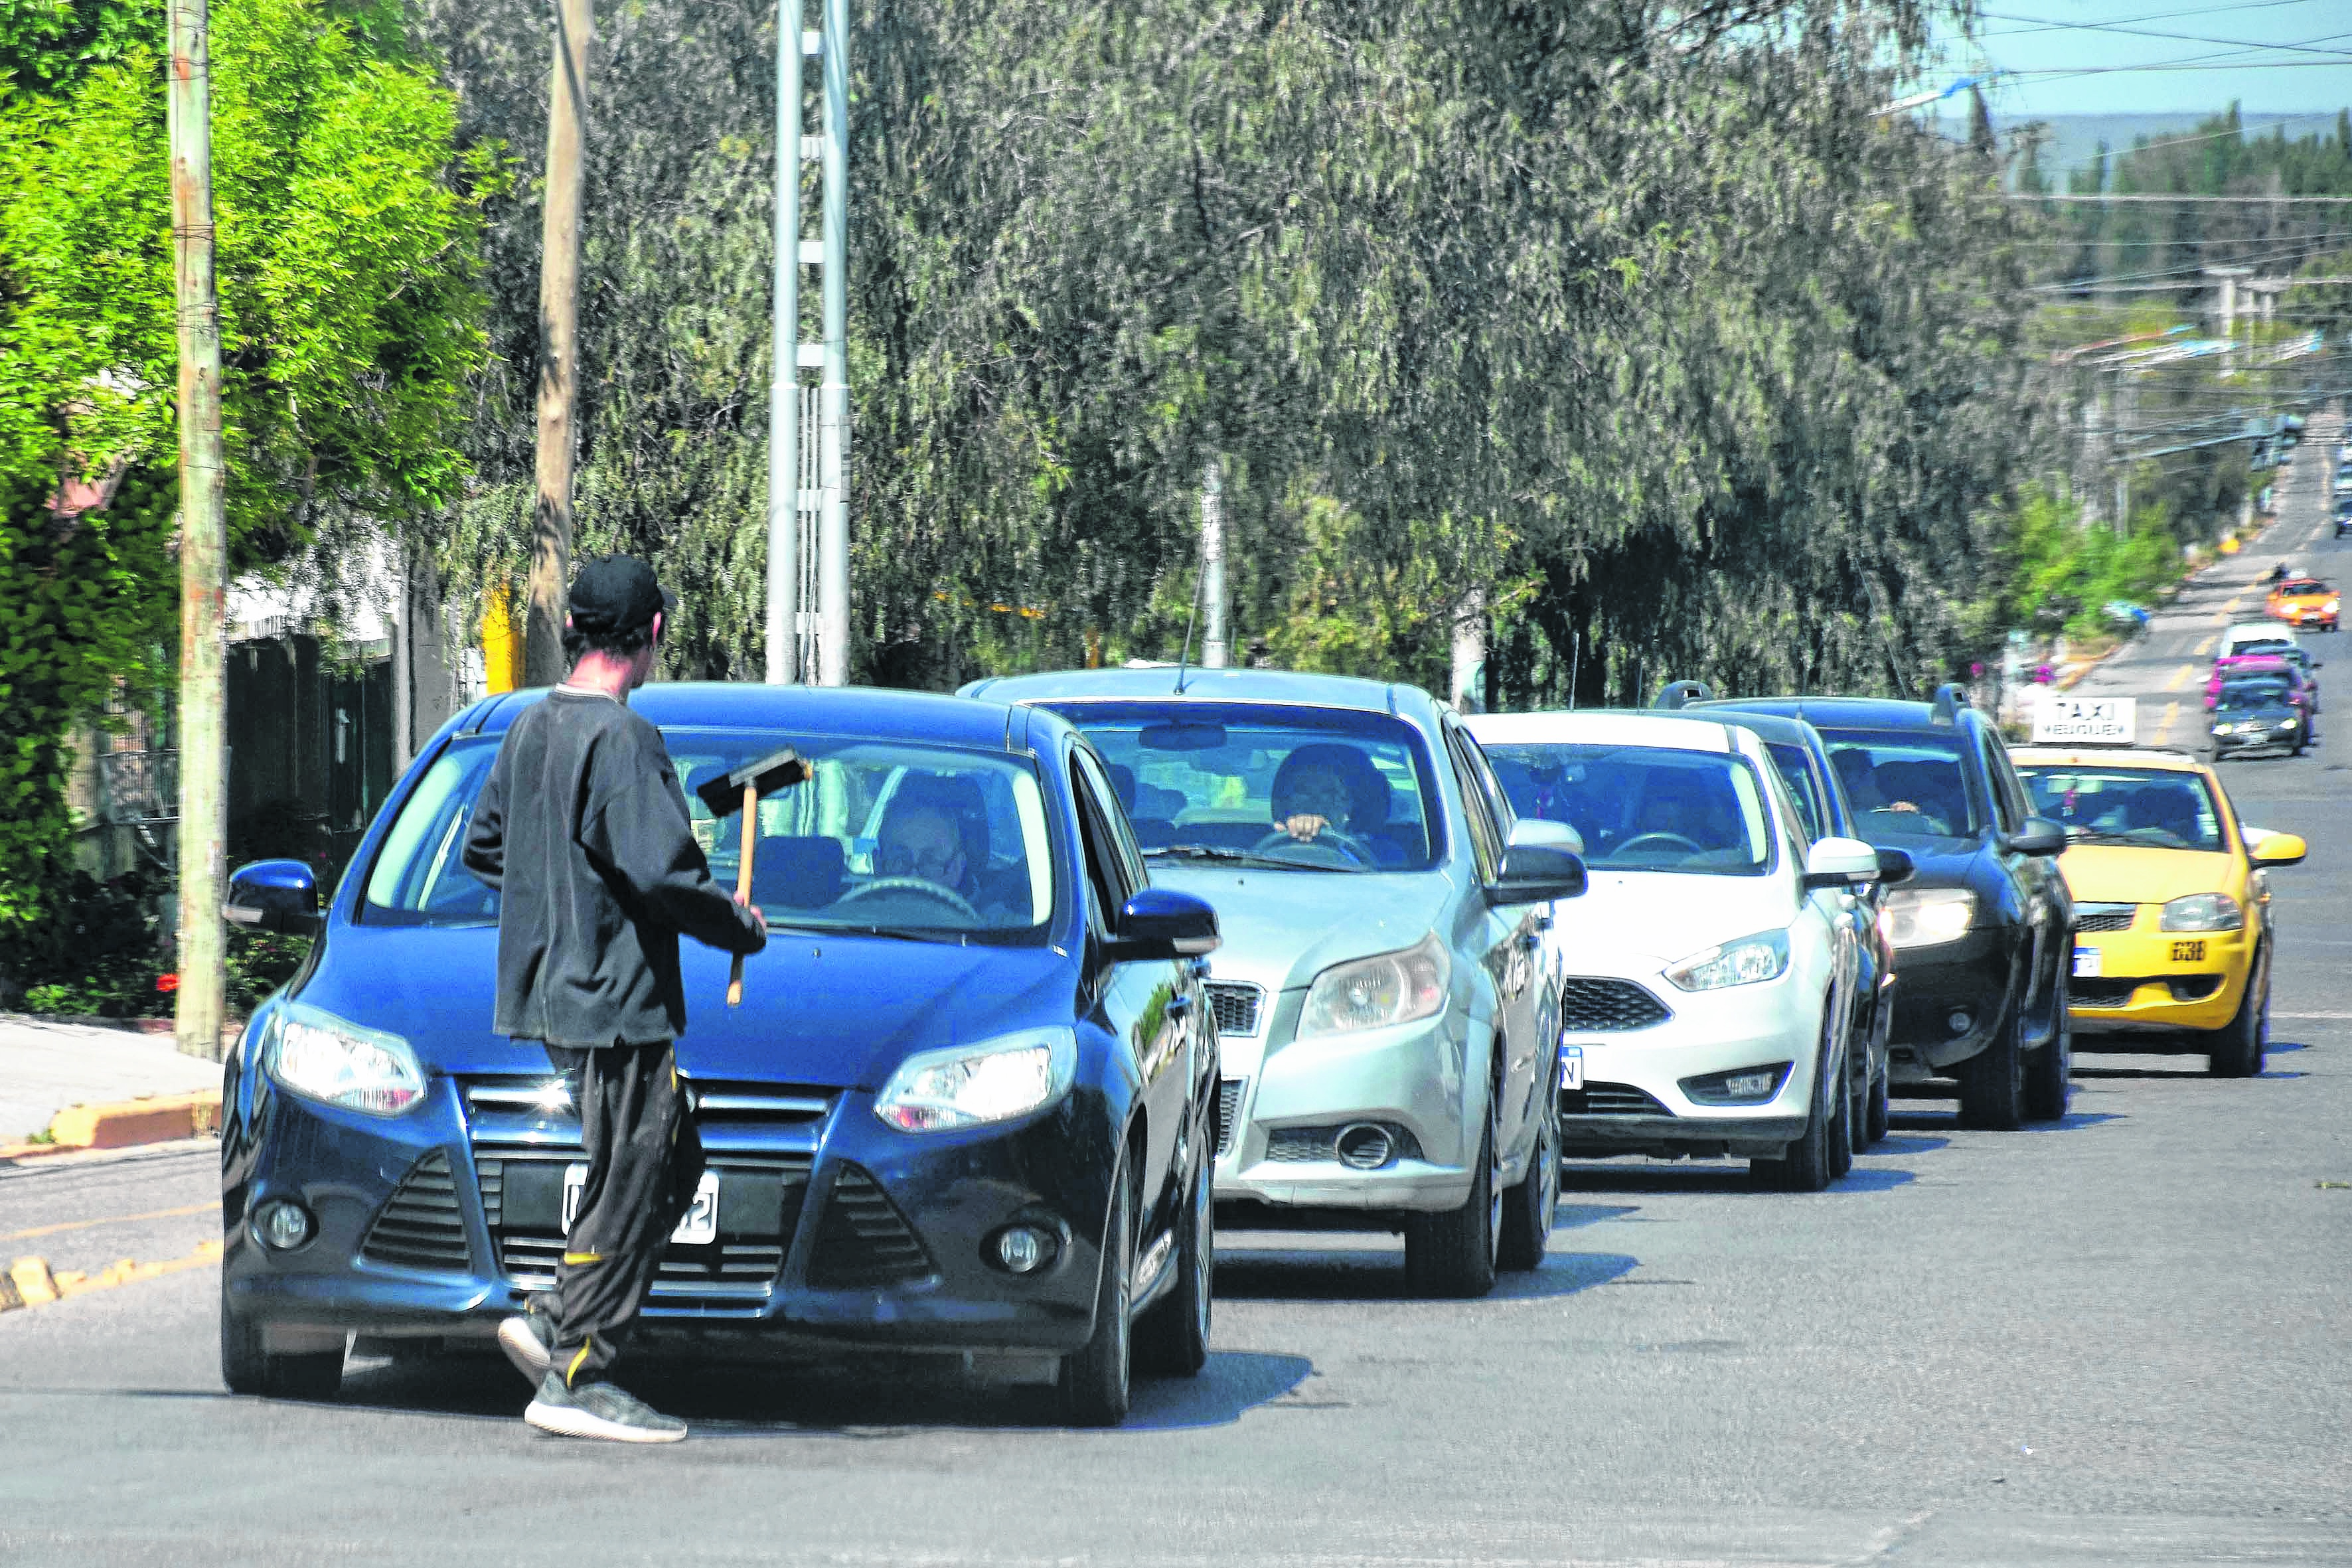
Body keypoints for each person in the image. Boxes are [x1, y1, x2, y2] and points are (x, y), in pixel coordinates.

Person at [461, 556, 767, 1444]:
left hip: (553, 991)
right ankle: (578, 1368)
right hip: (618, 996)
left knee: (660, 1163)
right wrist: (737, 925)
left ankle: (558, 1317)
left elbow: (487, 848)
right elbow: (662, 874)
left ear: (576, 630)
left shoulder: (527, 728)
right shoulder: (623, 740)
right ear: (655, 632)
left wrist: (558, 895)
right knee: (634, 1177)